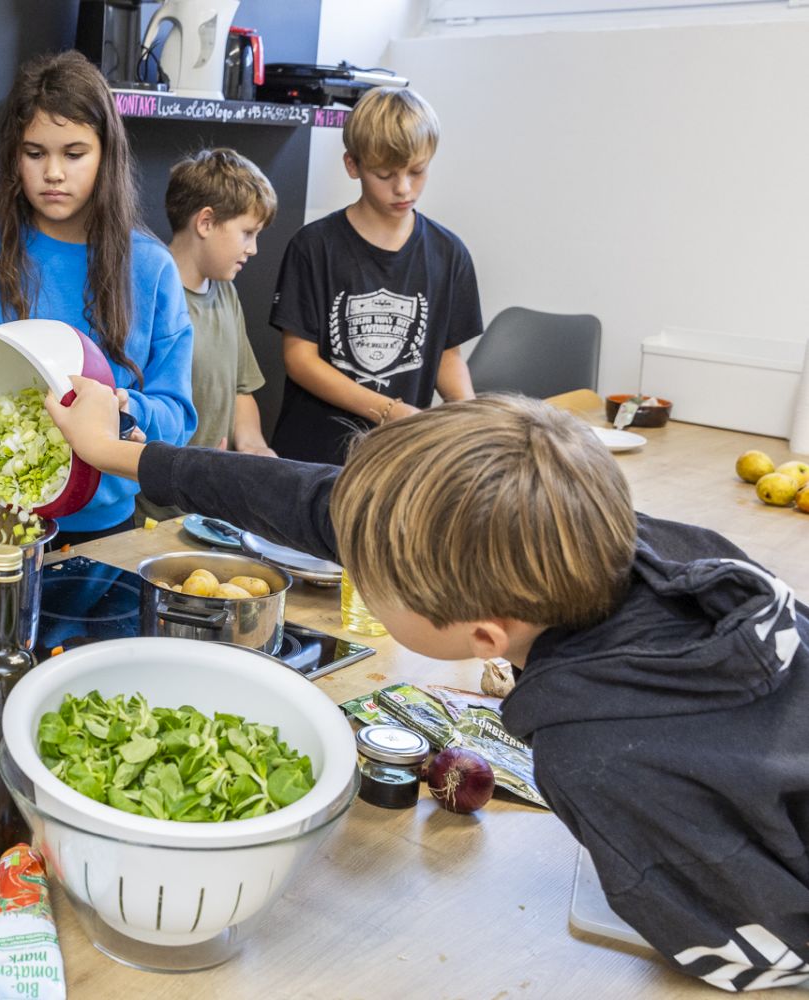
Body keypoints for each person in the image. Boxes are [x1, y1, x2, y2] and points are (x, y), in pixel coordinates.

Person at [48, 379, 809, 992]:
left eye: (368, 579)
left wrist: (636, 852)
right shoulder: (621, 541)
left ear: (485, 636)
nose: (353, 566)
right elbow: (314, 502)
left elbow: (761, 957)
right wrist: (119, 454)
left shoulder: (596, 759)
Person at [0, 50, 196, 545]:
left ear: (106, 155)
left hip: (103, 528)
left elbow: (178, 415)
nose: (54, 172)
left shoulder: (152, 267)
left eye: (74, 154)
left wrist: (124, 411)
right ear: (14, 156)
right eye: (35, 154)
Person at [270, 86, 480, 465]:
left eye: (417, 171)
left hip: (396, 459)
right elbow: (300, 359)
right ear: (353, 166)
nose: (403, 188)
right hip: (314, 458)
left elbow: (447, 356)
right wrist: (388, 411)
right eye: (385, 174)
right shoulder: (313, 247)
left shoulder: (449, 253)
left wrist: (473, 420)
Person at [135, 147, 277, 526]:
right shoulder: (147, 294)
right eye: (247, 233)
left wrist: (254, 448)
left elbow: (241, 389)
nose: (253, 249)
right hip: (152, 512)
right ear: (206, 222)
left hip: (208, 508)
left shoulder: (226, 291)